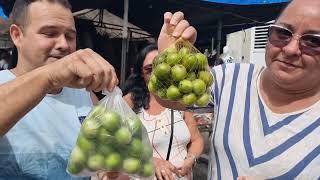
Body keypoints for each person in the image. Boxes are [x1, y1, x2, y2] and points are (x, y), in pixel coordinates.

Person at [154, 0, 320, 179]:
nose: (290, 49)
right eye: (282, 33)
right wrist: (170, 56)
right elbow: (169, 99)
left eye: (313, 41)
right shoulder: (231, 77)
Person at [0, 0, 118, 179]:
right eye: (49, 33)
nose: (63, 44)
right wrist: (49, 76)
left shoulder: (84, 95)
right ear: (17, 35)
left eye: (70, 36)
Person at [122, 44, 204, 180]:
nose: (156, 74)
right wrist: (150, 161)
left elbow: (196, 139)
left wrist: (191, 158)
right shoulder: (130, 103)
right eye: (149, 69)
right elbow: (114, 147)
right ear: (141, 74)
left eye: (161, 67)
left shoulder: (179, 101)